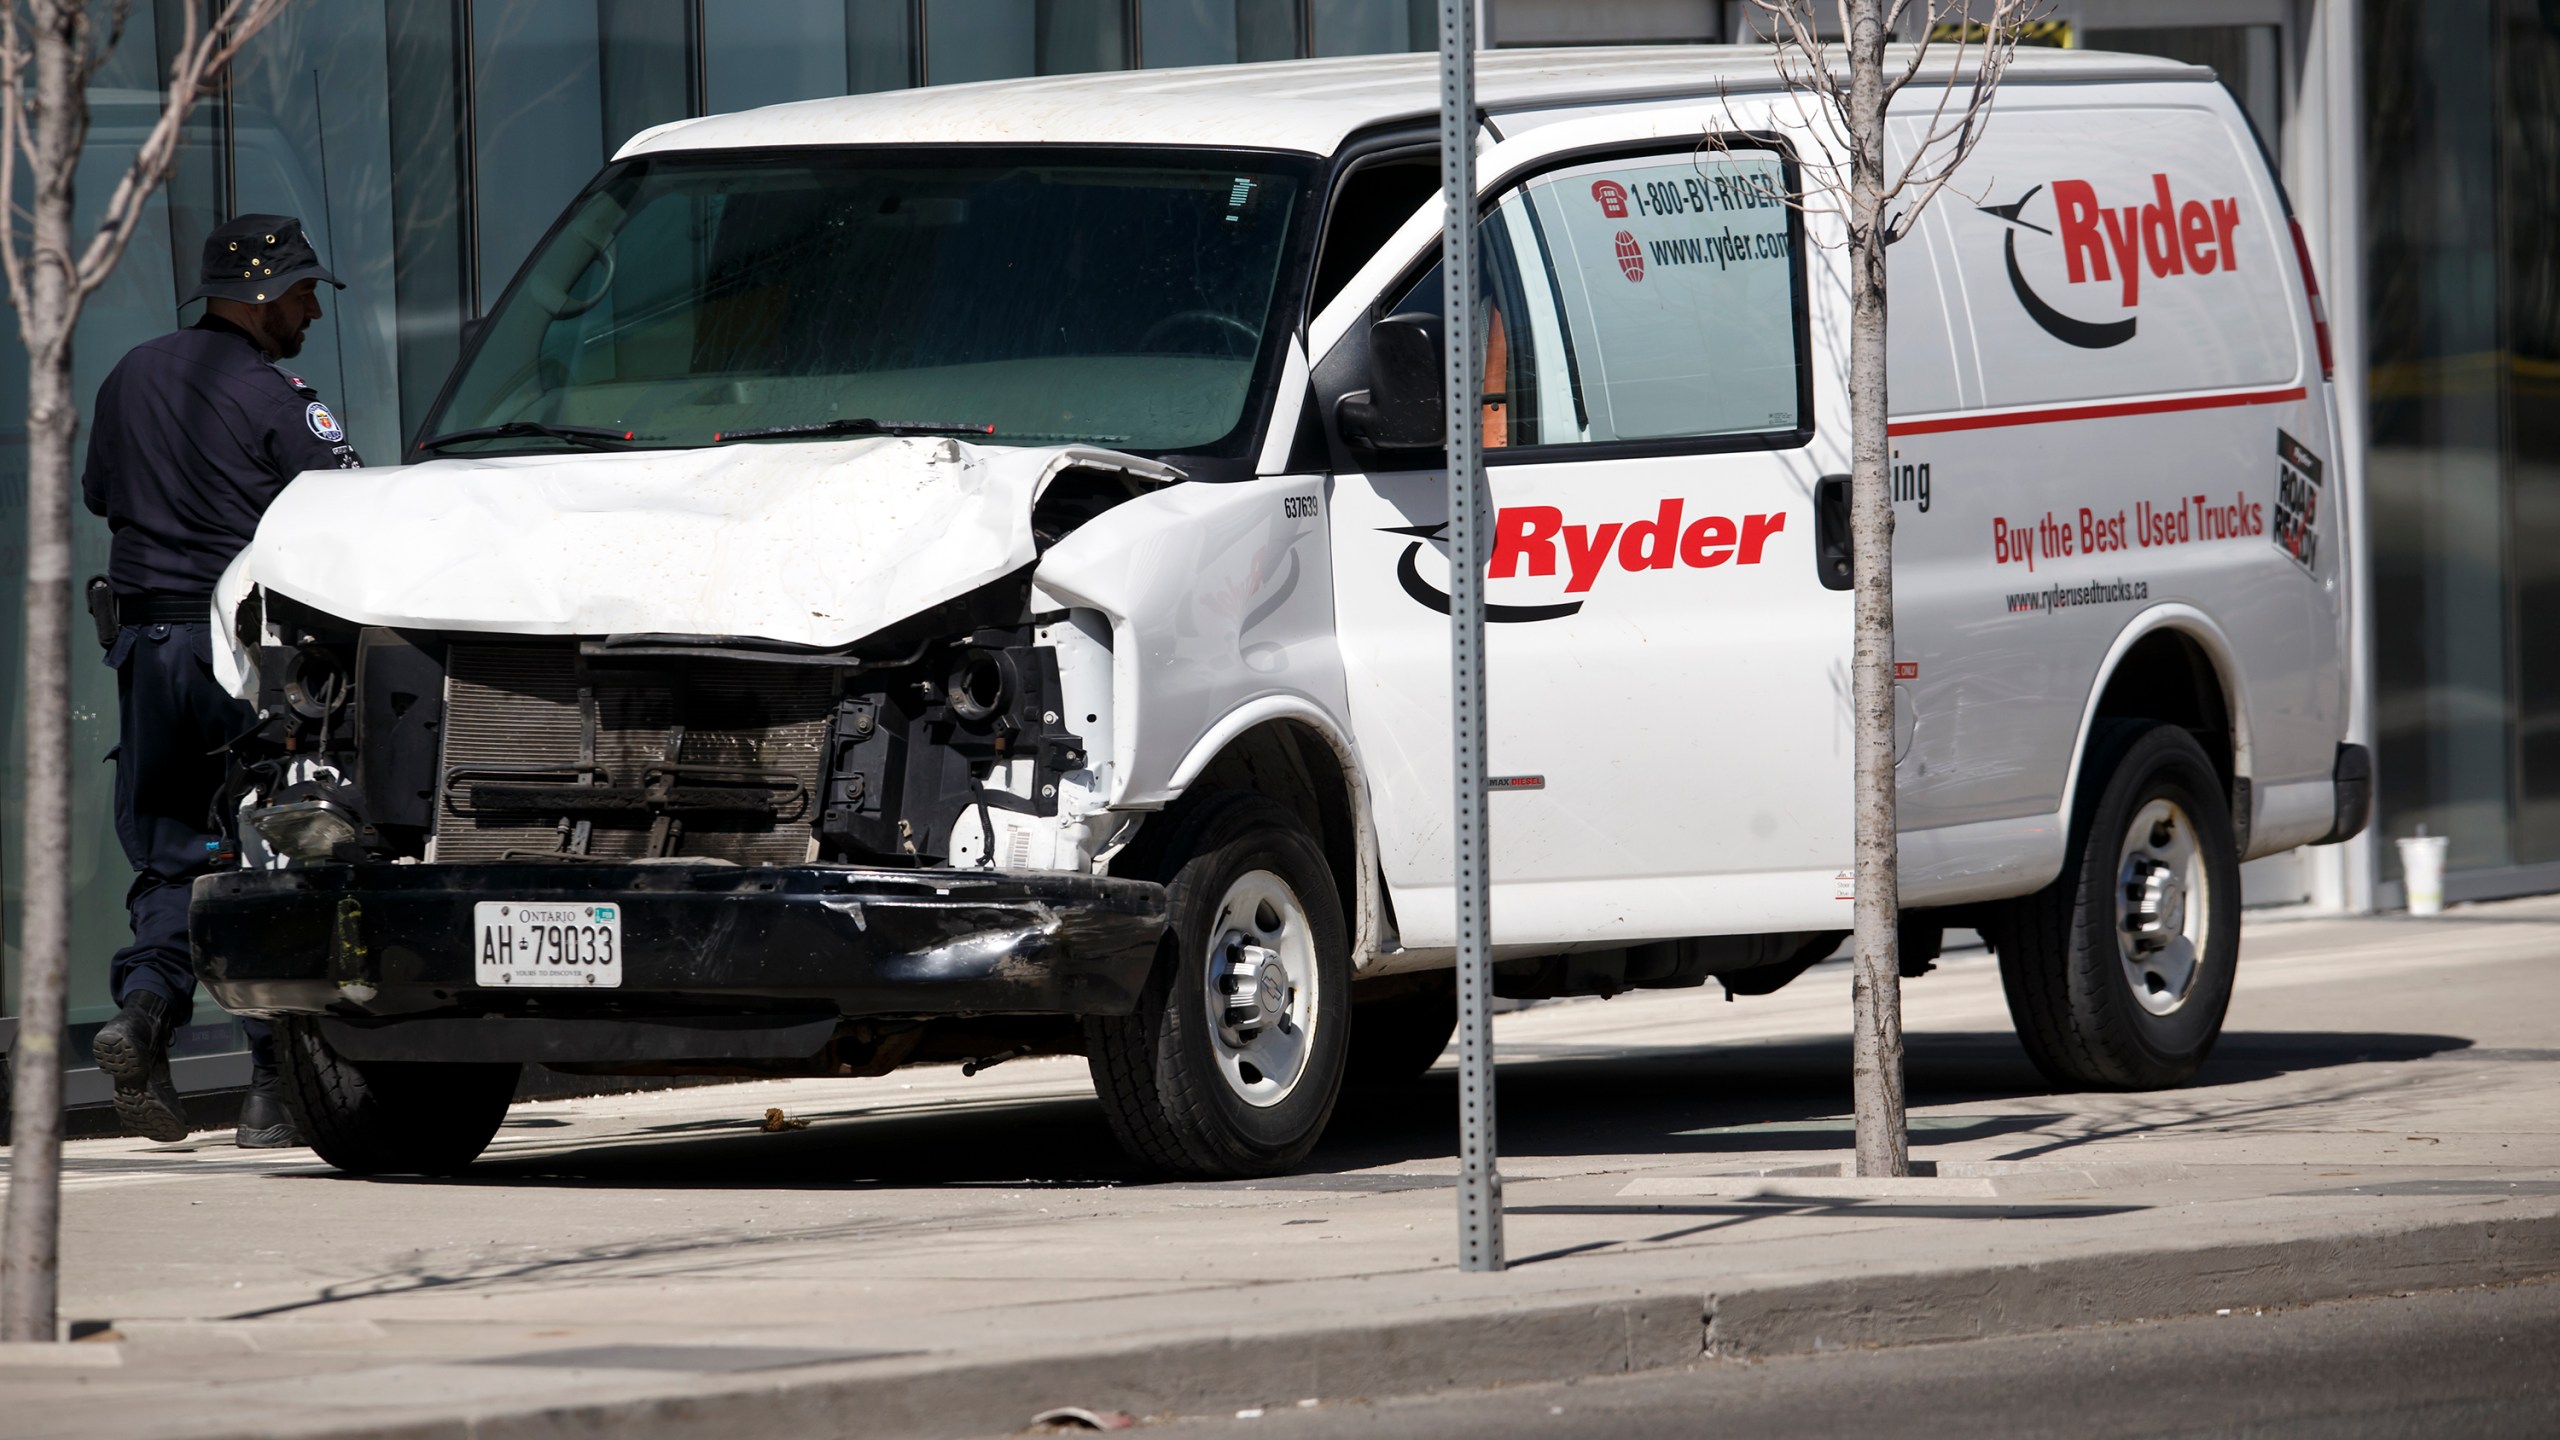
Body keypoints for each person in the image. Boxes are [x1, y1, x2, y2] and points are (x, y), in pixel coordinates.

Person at [81, 214, 362, 1146]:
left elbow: (101, 493)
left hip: (146, 654)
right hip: (241, 655)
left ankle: (147, 1015)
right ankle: (273, 1088)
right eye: (304, 292)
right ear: (260, 295)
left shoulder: (129, 377)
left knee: (172, 856)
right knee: (262, 858)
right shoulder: (277, 396)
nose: (313, 310)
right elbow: (342, 509)